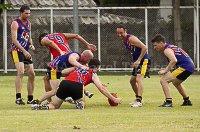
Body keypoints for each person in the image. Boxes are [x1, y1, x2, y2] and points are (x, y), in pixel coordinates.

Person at [32, 58, 122, 110]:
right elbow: (102, 89)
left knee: (55, 105)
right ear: (96, 68)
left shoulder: (78, 67)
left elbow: (63, 72)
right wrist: (114, 99)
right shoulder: (93, 74)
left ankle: (43, 107)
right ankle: (80, 103)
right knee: (82, 101)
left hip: (65, 83)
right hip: (77, 86)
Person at [39, 32, 97, 104]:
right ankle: (84, 91)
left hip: (63, 61)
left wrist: (60, 51)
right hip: (71, 57)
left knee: (48, 78)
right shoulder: (60, 34)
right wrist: (87, 44)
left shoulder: (45, 39)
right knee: (73, 77)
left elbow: (50, 42)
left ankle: (50, 101)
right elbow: (76, 35)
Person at [151, 34, 194, 107]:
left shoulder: (166, 50)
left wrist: (165, 70)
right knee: (176, 82)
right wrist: (168, 71)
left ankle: (169, 102)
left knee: (164, 80)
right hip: (189, 66)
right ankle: (187, 100)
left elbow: (173, 60)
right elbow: (173, 61)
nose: (154, 47)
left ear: (161, 43)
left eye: (155, 45)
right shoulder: (171, 47)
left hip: (184, 67)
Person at [116, 24, 151, 107]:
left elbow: (144, 48)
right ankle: (139, 99)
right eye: (118, 33)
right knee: (132, 81)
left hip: (144, 60)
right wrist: (135, 61)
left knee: (139, 80)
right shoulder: (124, 41)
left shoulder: (131, 38)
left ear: (125, 31)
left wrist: (138, 60)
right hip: (138, 62)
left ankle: (139, 101)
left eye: (121, 33)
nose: (119, 35)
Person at [10, 6, 35, 105]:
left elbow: (29, 37)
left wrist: (31, 45)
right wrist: (24, 51)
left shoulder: (29, 24)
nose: (28, 15)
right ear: (21, 13)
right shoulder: (15, 23)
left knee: (32, 74)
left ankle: (30, 98)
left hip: (26, 51)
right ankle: (18, 98)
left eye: (29, 13)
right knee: (21, 72)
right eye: (26, 13)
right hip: (17, 51)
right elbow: (14, 40)